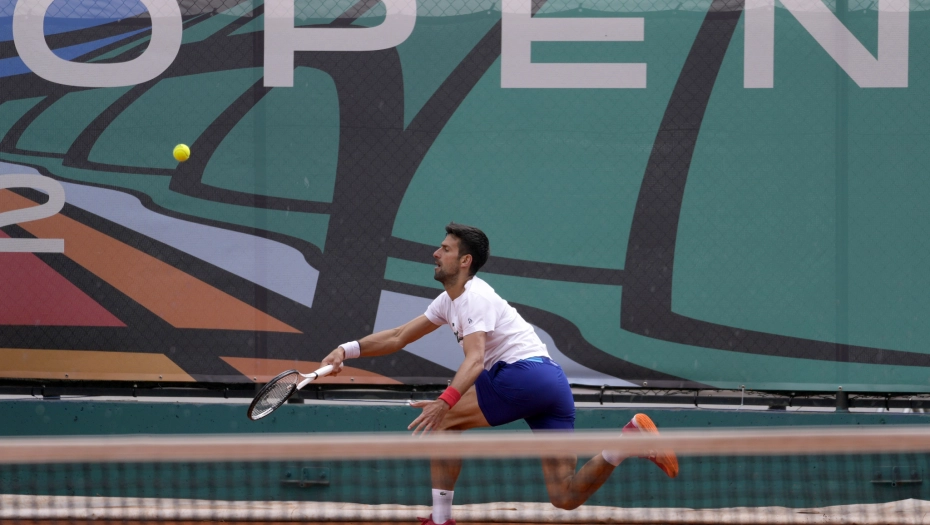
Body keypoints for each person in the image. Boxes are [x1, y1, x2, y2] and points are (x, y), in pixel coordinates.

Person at [321, 223, 678, 525]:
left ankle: (440, 520)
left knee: (444, 422)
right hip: (551, 383)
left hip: (522, 376)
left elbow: (475, 360)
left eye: (445, 249)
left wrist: (445, 402)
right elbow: (398, 336)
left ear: (465, 261)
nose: (435, 253)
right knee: (565, 496)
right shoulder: (448, 301)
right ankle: (623, 445)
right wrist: (346, 350)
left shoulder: (474, 298)